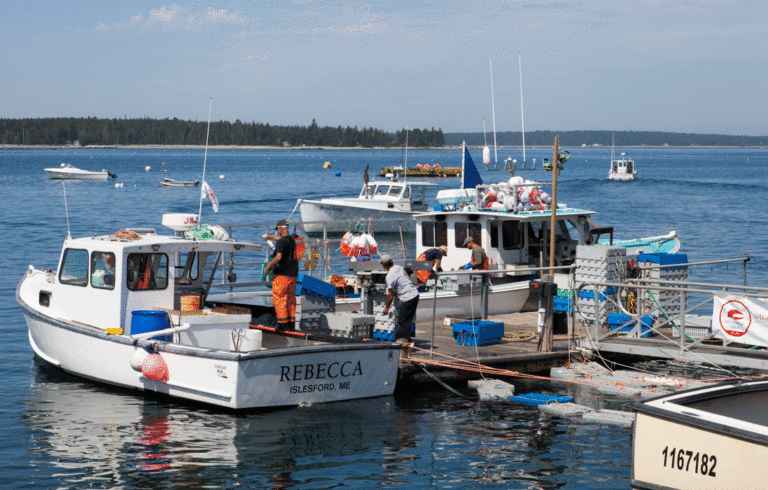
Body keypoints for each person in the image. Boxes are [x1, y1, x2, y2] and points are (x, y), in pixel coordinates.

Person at [264, 219, 299, 332]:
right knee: (290, 298)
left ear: (280, 229)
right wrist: (271, 237)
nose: (277, 232)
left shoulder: (281, 242)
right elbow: (282, 241)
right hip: (293, 274)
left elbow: (278, 257)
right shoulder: (292, 239)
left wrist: (268, 267)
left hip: (282, 274)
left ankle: (282, 325)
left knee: (279, 297)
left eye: (277, 230)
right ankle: (291, 324)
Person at [380, 254, 420, 345]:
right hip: (415, 294)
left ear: (383, 265)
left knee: (402, 322)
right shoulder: (398, 267)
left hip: (408, 298)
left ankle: (407, 343)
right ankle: (407, 340)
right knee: (407, 320)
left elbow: (390, 294)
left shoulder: (389, 276)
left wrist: (386, 307)